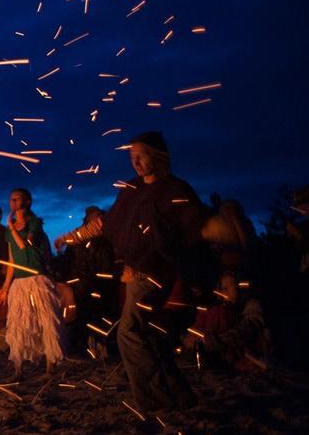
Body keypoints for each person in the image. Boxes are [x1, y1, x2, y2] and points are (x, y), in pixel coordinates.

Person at [55, 131, 230, 412]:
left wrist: (226, 230)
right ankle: (180, 396)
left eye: (142, 154)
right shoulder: (131, 190)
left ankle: (153, 400)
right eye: (131, 155)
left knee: (129, 333)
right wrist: (70, 237)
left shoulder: (175, 190)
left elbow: (198, 225)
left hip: (156, 274)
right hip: (134, 274)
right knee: (146, 336)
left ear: (158, 156)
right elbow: (105, 224)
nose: (135, 161)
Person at [0, 188, 64, 379]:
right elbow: (11, 262)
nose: (13, 202)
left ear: (27, 202)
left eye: (17, 198)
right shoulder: (10, 231)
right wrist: (5, 288)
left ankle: (50, 366)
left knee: (45, 321)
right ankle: (18, 369)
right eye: (11, 199)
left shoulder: (34, 223)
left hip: (37, 279)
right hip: (20, 282)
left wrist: (10, 227)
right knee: (19, 323)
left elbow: (25, 244)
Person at [56, 206, 117, 356]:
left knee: (101, 315)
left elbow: (109, 260)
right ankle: (83, 347)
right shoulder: (78, 238)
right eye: (95, 216)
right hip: (81, 282)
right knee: (82, 315)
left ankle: (102, 346)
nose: (98, 218)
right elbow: (69, 260)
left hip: (101, 282)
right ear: (88, 218)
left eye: (100, 215)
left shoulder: (106, 238)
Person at [187, 271, 269, 370]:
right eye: (223, 288)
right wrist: (193, 338)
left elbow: (244, 330)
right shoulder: (227, 308)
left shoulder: (253, 305)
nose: (224, 291)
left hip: (255, 355)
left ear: (239, 288)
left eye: (229, 286)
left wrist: (210, 342)